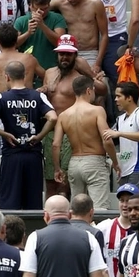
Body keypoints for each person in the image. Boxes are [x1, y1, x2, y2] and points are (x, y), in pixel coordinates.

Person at [0, 61, 58, 210]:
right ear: (25, 75)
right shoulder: (37, 96)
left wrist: (4, 134)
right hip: (33, 155)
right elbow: (53, 117)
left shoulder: (2, 97)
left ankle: (10, 232)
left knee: (9, 203)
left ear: (7, 77)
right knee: (33, 203)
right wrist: (40, 136)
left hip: (12, 155)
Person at [44, 35, 107, 199]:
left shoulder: (79, 78)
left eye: (69, 54)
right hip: (50, 131)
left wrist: (88, 72)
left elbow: (103, 90)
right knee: (50, 181)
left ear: (75, 56)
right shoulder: (49, 73)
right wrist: (43, 89)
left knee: (65, 183)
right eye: (61, 53)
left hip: (70, 132)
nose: (64, 57)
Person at [53, 76, 120, 210]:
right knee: (100, 209)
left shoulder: (63, 115)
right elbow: (107, 140)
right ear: (89, 90)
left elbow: (56, 145)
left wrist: (57, 169)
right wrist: (116, 163)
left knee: (77, 210)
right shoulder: (96, 111)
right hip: (94, 161)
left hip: (74, 163)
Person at [103, 82, 139, 193]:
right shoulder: (120, 119)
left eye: (119, 96)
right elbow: (108, 138)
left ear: (129, 98)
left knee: (134, 205)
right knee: (126, 207)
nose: (115, 100)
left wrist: (120, 133)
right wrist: (115, 163)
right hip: (126, 171)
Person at [50, 0, 108, 73]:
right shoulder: (60, 3)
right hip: (68, 52)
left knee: (90, 84)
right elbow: (41, 8)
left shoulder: (95, 4)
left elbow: (104, 35)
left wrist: (98, 63)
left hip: (90, 53)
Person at [14, 0, 67, 73]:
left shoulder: (57, 18)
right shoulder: (21, 21)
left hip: (51, 68)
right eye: (37, 9)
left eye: (44, 9)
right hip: (27, 70)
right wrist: (28, 33)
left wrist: (42, 25)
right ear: (30, 5)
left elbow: (60, 43)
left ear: (49, 5)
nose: (40, 12)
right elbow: (13, 45)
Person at [0, 24, 45, 95]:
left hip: (4, 102)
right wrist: (44, 87)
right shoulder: (29, 58)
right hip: (27, 101)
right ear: (16, 40)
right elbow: (45, 75)